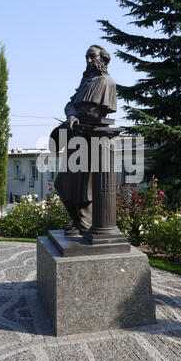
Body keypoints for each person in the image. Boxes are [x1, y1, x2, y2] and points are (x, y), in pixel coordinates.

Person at [50, 44, 117, 235]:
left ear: (103, 59)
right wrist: (71, 115)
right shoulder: (87, 81)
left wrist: (74, 115)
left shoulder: (106, 83)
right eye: (86, 57)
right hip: (75, 137)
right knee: (61, 184)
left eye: (92, 57)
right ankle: (80, 222)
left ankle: (84, 224)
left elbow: (91, 110)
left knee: (81, 188)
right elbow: (70, 104)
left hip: (90, 139)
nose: (88, 61)